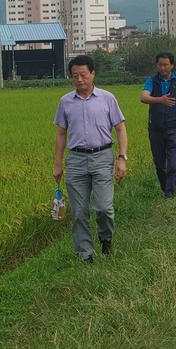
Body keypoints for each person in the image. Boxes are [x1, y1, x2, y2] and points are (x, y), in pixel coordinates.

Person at [53, 55, 128, 262]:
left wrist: (122, 158)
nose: (79, 80)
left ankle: (106, 240)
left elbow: (120, 128)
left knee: (104, 208)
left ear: (93, 74)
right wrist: (58, 164)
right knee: (79, 212)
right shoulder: (65, 102)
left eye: (83, 75)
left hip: (103, 157)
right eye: (75, 76)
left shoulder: (107, 98)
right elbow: (61, 134)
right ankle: (85, 255)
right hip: (76, 160)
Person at [141, 52, 176, 198]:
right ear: (157, 65)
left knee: (173, 161)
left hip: (174, 127)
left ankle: (171, 195)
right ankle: (166, 188)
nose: (163, 68)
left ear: (172, 65)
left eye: (166, 65)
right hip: (156, 128)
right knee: (159, 164)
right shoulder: (151, 81)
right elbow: (143, 97)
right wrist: (160, 100)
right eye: (160, 65)